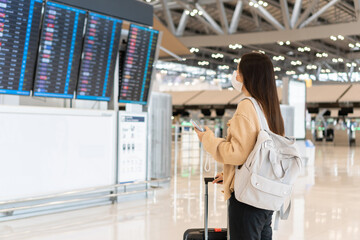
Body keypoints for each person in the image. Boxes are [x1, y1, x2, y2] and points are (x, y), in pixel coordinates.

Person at [195, 52, 285, 240]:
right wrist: (230, 175)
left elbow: (237, 153)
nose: (236, 74)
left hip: (247, 202)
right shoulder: (269, 107)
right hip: (266, 197)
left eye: (238, 69)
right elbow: (258, 153)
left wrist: (207, 139)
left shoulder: (247, 106)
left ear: (248, 75)